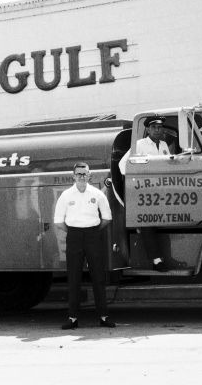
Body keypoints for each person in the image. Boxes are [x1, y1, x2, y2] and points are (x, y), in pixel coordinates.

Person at [53, 162, 114, 330]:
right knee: (73, 278)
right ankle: (72, 318)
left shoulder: (97, 194)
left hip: (93, 235)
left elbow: (107, 218)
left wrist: (92, 231)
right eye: (78, 174)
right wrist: (74, 231)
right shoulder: (66, 195)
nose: (81, 176)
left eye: (84, 174)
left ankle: (103, 317)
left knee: (98, 278)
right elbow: (58, 221)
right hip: (74, 236)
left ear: (89, 176)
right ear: (73, 176)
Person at [119, 115, 172, 271]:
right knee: (147, 223)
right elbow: (123, 165)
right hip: (145, 192)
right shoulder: (139, 145)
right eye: (154, 127)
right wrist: (134, 185)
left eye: (160, 127)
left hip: (161, 192)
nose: (157, 130)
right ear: (147, 129)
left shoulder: (163, 145)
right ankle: (157, 261)